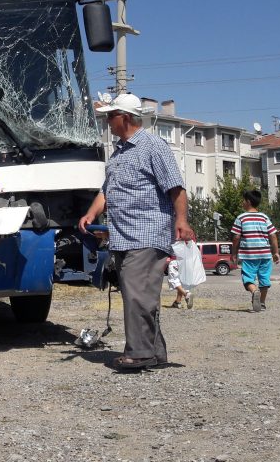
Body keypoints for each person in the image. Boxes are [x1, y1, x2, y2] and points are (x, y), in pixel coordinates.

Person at [78, 93, 194, 370]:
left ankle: (140, 353)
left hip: (147, 233)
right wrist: (92, 213)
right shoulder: (119, 153)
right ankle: (154, 352)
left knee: (137, 295)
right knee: (138, 294)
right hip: (121, 235)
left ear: (125, 118)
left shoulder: (153, 146)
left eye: (111, 116)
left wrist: (182, 220)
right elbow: (107, 191)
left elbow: (175, 187)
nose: (107, 121)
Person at [230, 189, 279, 312]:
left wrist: (234, 253)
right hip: (265, 254)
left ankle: (254, 290)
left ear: (248, 201)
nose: (242, 202)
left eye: (243, 200)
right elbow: (273, 235)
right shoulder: (264, 217)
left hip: (249, 255)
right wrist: (276, 252)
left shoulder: (241, 218)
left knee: (248, 278)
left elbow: (236, 237)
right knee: (264, 279)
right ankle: (261, 303)